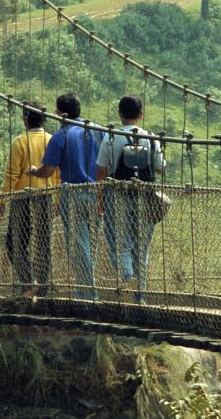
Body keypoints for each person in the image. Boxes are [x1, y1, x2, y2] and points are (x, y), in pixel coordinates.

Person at [96, 95, 166, 304]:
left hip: (117, 196)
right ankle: (140, 293)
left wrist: (99, 197)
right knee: (141, 245)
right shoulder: (152, 138)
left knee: (118, 241)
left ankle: (128, 277)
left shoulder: (111, 137)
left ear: (119, 114)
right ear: (141, 115)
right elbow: (161, 168)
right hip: (145, 197)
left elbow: (100, 171)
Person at [35, 93, 102, 300]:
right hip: (97, 194)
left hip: (72, 196)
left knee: (80, 247)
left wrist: (33, 172)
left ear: (59, 113)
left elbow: (47, 171)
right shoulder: (99, 131)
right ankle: (90, 290)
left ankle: (87, 295)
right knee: (91, 245)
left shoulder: (61, 135)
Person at [2, 102, 57, 297]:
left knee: (14, 243)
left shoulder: (20, 141)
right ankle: (43, 288)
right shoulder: (52, 140)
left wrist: (2, 200)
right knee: (44, 244)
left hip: (21, 199)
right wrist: (57, 199)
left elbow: (12, 174)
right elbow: (56, 173)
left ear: (25, 119)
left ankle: (28, 281)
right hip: (46, 197)